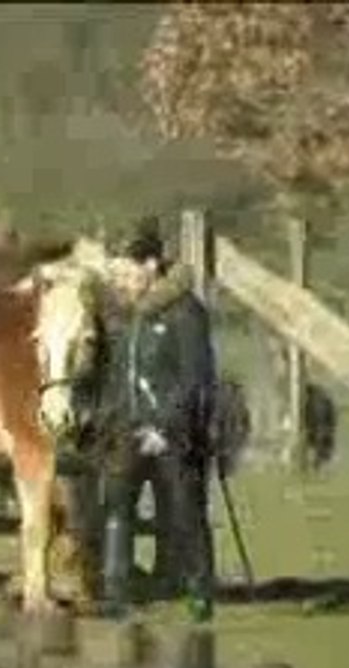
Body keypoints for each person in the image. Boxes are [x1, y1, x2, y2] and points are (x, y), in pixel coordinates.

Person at [93, 214, 218, 619]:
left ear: (149, 265)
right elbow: (116, 375)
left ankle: (199, 587)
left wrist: (165, 427)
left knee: (184, 509)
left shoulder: (185, 313)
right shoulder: (125, 315)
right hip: (127, 427)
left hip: (173, 433)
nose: (121, 281)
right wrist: (112, 418)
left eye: (127, 271)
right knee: (116, 507)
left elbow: (195, 377)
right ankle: (115, 590)